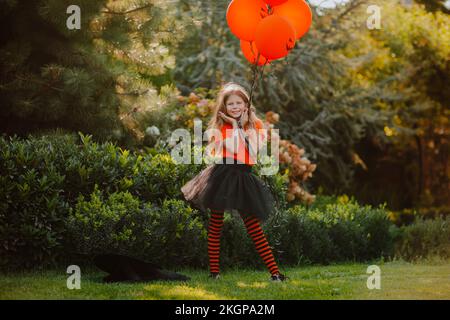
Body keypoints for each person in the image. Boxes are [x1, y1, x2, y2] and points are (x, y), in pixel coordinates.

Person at [181, 82, 287, 282]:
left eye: (239, 103)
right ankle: (214, 273)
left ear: (246, 105)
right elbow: (227, 148)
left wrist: (241, 126)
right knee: (215, 225)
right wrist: (236, 126)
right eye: (231, 104)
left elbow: (254, 152)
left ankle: (275, 273)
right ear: (225, 107)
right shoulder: (222, 126)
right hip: (222, 175)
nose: (235, 107)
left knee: (253, 227)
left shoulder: (256, 125)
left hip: (244, 178)